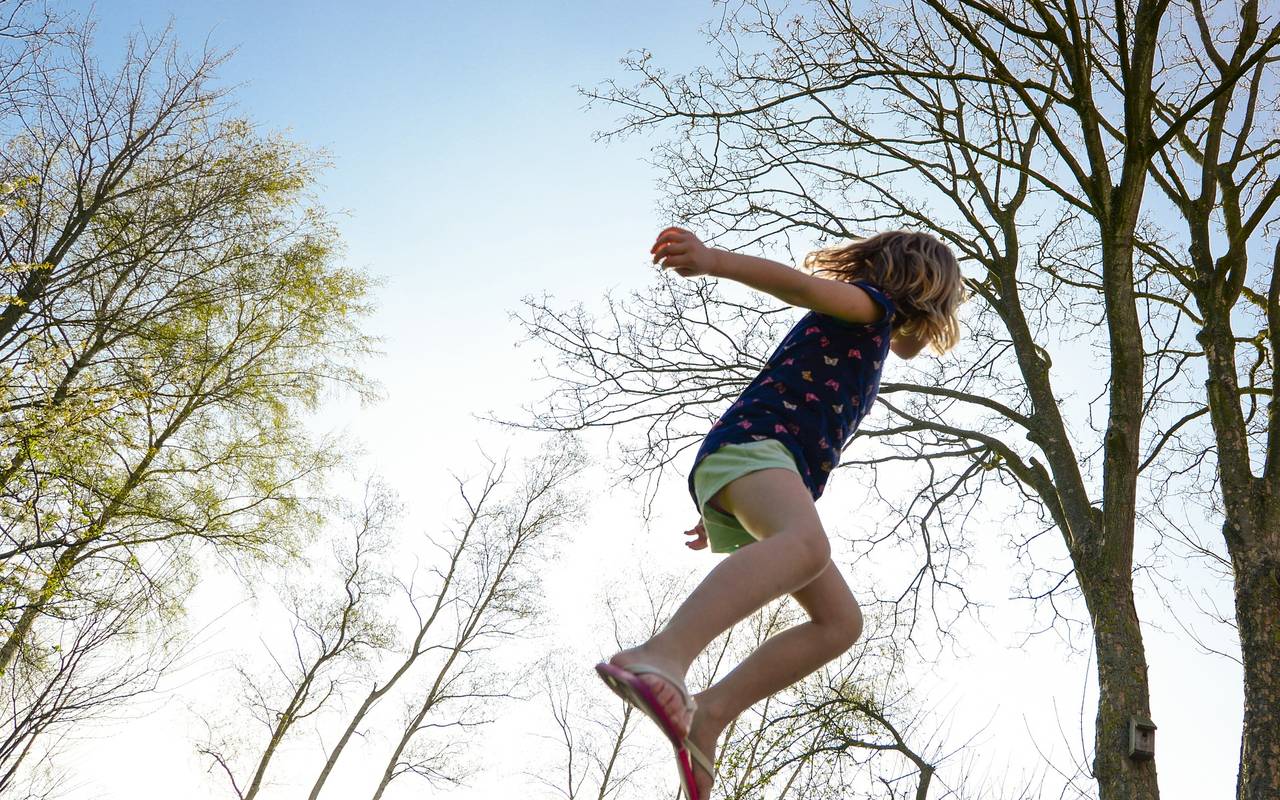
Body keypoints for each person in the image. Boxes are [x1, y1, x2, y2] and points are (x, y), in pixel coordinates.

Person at [594, 225, 965, 800]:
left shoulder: (876, 327)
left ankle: (710, 714)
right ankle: (659, 656)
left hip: (758, 465)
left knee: (840, 623)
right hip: (757, 449)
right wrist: (712, 259)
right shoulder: (868, 306)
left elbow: (910, 346)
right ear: (920, 289)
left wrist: (733, 502)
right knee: (809, 547)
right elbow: (798, 285)